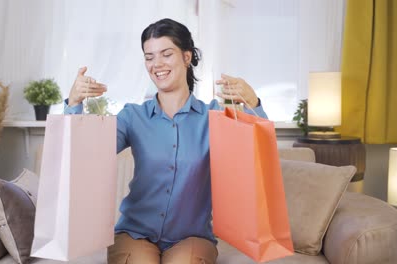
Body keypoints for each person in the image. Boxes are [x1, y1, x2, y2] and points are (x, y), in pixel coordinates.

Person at [65, 18, 267, 264]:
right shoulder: (133, 116)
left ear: (186, 57)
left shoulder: (214, 117)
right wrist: (74, 103)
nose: (156, 64)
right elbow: (87, 152)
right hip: (134, 233)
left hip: (192, 237)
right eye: (149, 57)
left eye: (166, 54)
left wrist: (253, 104)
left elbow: (256, 155)